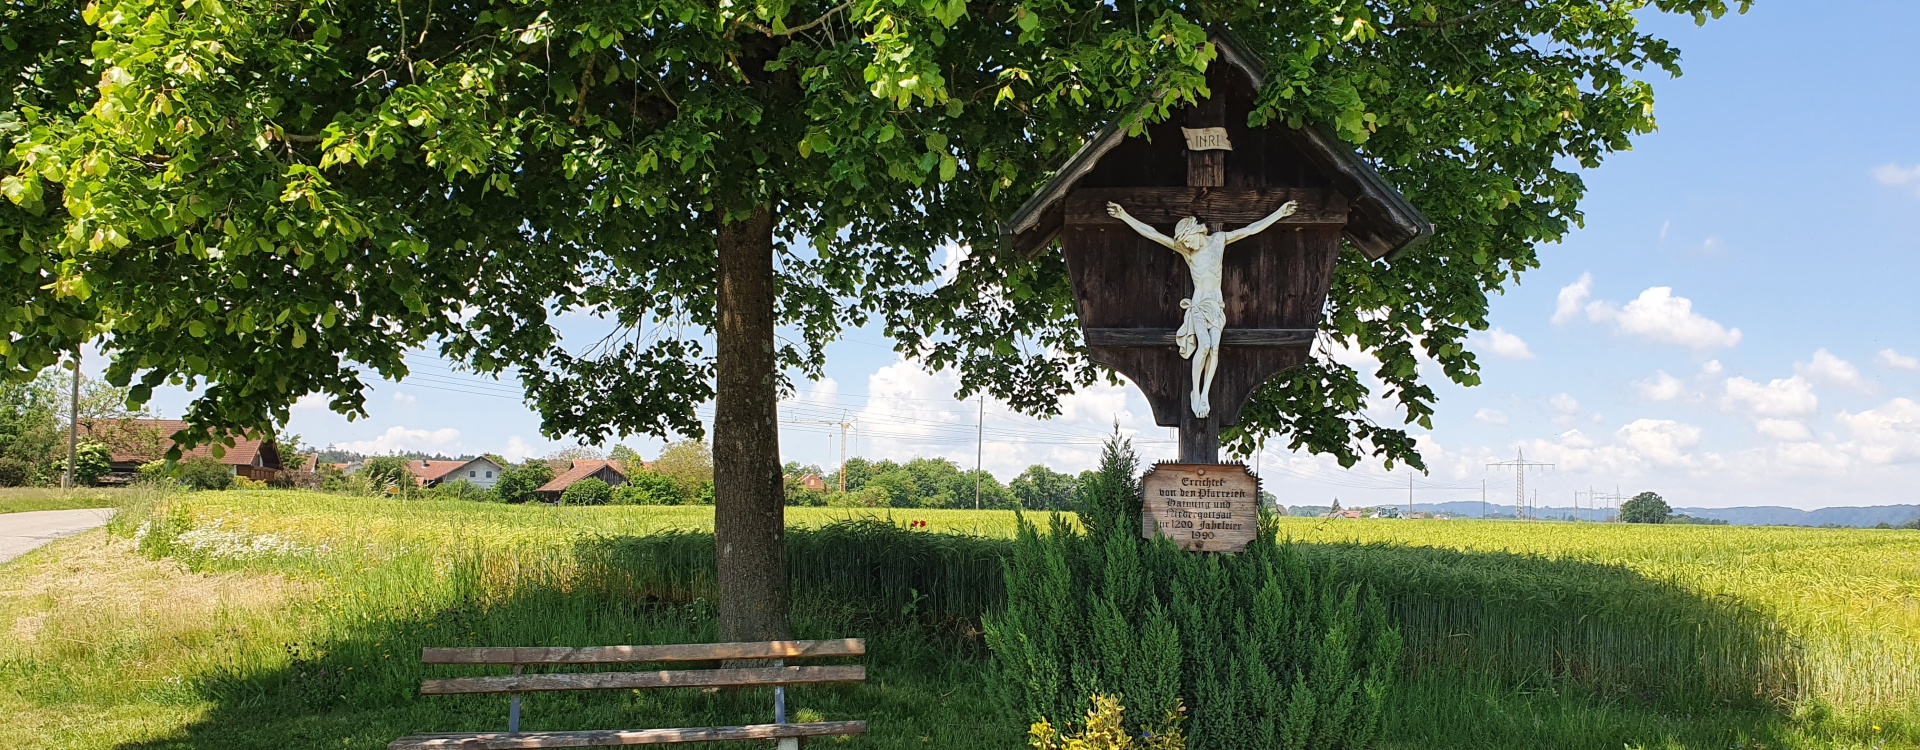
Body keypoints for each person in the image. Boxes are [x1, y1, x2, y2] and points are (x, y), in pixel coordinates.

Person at [1105, 199, 1298, 418]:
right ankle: (1194, 393)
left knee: (1214, 348)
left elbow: (1251, 230)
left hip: (1216, 305)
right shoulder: (1188, 253)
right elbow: (1153, 234)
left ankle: (1205, 394)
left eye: (1188, 241)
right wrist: (1123, 215)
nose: (1187, 246)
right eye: (1184, 244)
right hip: (1198, 305)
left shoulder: (1218, 241)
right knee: (1204, 345)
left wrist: (1280, 213)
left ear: (1196, 232)